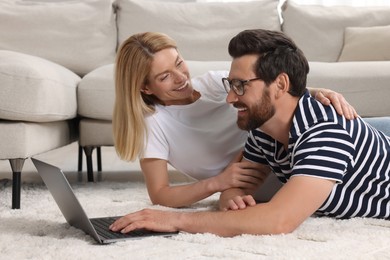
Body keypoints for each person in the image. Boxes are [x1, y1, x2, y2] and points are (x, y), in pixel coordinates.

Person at [110, 29, 390, 236]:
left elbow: (279, 220)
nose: (230, 99)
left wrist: (176, 221)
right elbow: (236, 187)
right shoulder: (261, 130)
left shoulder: (325, 134)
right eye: (231, 85)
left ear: (281, 85)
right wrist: (230, 195)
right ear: (145, 87)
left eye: (240, 86)